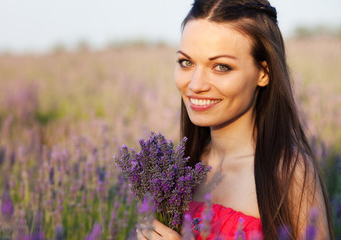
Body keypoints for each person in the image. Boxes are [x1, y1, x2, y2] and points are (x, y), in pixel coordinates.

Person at [137, 0, 334, 239]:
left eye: (221, 67)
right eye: (186, 63)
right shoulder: (178, 170)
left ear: (263, 73)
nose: (196, 85)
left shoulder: (288, 172)